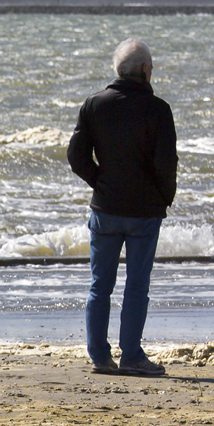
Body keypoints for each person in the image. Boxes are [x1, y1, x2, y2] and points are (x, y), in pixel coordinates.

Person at [67, 37, 177, 376]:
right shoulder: (158, 109)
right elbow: (165, 164)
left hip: (105, 208)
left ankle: (100, 356)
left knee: (100, 284)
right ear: (144, 70)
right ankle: (131, 356)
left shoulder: (94, 104)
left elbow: (76, 156)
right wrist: (164, 197)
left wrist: (99, 182)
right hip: (144, 213)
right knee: (136, 286)